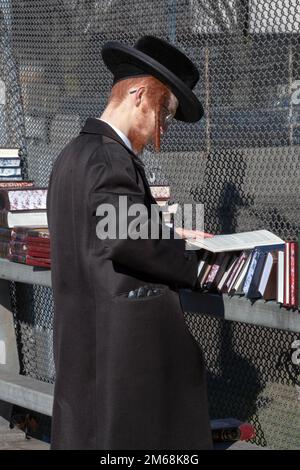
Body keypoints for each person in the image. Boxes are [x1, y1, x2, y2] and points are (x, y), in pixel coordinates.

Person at [47, 35, 213, 450]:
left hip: (87, 345)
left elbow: (105, 230)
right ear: (140, 94)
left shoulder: (73, 154)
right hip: (123, 355)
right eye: (165, 111)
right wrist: (201, 263)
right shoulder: (110, 159)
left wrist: (169, 232)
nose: (164, 127)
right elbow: (125, 238)